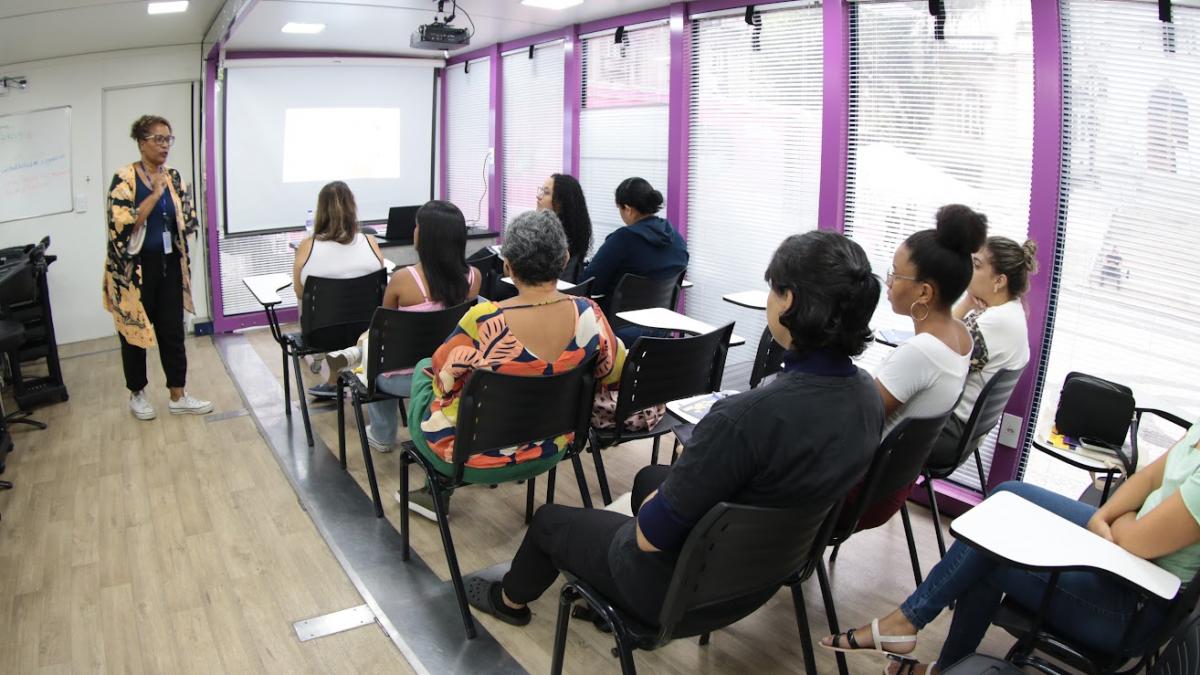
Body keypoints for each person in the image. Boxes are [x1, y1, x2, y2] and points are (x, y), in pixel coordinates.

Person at [463, 231, 885, 629]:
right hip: (761, 577)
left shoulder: (743, 419)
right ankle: (607, 595)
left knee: (549, 522)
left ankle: (508, 601)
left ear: (789, 300)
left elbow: (650, 537)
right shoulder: (867, 397)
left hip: (678, 594)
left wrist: (679, 481)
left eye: (773, 290)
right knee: (649, 477)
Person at [822, 419, 1200, 675]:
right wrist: (1105, 518)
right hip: (1118, 550)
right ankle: (916, 633)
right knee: (1009, 495)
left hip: (1133, 603)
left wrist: (1117, 521)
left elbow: (1136, 540)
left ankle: (919, 637)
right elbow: (1148, 478)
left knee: (990, 555)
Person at [402, 209, 628, 519]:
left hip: (472, 458)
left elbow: (444, 382)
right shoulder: (590, 313)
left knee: (425, 369)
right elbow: (614, 372)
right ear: (564, 259)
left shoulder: (483, 320)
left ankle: (437, 489)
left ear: (507, 265)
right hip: (552, 447)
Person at [839, 204, 986, 532]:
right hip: (889, 489)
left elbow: (855, 422)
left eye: (896, 274)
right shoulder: (960, 335)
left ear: (924, 291)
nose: (889, 282)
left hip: (855, 495)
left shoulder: (920, 352)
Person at [103, 114, 212, 420]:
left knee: (172, 332)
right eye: (158, 139)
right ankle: (137, 394)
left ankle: (178, 395)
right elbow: (121, 225)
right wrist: (154, 196)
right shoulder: (125, 178)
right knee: (134, 334)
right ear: (142, 142)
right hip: (134, 272)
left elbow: (188, 218)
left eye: (168, 140)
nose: (165, 146)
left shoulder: (173, 177)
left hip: (169, 265)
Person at [350, 200, 481, 452]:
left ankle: (382, 434)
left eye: (417, 226)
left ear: (425, 236)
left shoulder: (403, 280)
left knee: (373, 360)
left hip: (404, 379)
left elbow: (385, 332)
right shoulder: (474, 277)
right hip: (452, 373)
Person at [927, 236, 1038, 467]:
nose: (968, 270)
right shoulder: (1011, 311)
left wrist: (963, 305)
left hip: (945, 434)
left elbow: (931, 348)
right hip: (962, 435)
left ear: (999, 281)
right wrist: (968, 303)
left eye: (976, 266)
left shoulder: (995, 322)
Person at [291, 181, 385, 398]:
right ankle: (342, 380)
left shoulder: (307, 246)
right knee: (349, 317)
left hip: (321, 333)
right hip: (366, 329)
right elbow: (378, 286)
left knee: (335, 317)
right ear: (353, 208)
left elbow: (300, 292)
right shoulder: (370, 242)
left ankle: (335, 383)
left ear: (321, 211)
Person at [581, 177, 688, 298]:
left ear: (628, 209)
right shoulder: (677, 238)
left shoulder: (622, 239)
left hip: (617, 309)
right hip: (661, 310)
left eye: (619, 208)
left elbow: (589, 285)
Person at [536, 173, 592, 282]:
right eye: (541, 190)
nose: (538, 196)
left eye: (546, 192)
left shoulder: (549, 238)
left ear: (561, 203)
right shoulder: (574, 234)